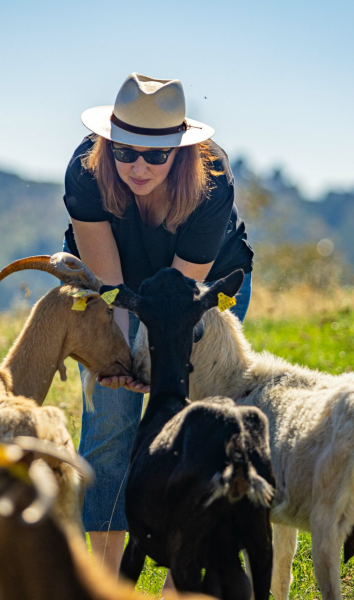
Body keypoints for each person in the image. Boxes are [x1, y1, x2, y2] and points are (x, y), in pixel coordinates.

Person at [61, 73, 254, 582]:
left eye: (155, 155)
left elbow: (179, 296)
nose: (138, 166)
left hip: (199, 291)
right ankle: (106, 587)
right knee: (110, 420)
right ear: (107, 145)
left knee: (199, 421)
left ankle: (183, 581)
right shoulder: (85, 171)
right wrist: (122, 361)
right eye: (124, 152)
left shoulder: (211, 185)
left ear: (181, 152)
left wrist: (158, 360)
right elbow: (109, 286)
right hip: (119, 291)